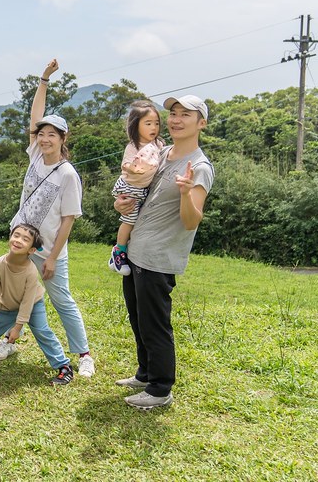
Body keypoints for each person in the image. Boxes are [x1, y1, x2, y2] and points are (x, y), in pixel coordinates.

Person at [115, 95, 214, 410]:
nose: (176, 119)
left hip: (158, 257)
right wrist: (122, 203)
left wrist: (186, 192)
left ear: (202, 123)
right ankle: (145, 374)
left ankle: (160, 389)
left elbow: (191, 221)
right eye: (173, 113)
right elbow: (139, 192)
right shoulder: (161, 152)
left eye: (186, 114)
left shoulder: (199, 166)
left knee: (155, 324)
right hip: (137, 250)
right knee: (139, 319)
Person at [8, 59, 95, 379]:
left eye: (51, 135)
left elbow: (69, 220)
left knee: (61, 299)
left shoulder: (69, 174)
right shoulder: (34, 154)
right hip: (21, 242)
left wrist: (53, 258)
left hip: (49, 249)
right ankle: (9, 339)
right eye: (41, 134)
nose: (44, 139)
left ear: (62, 139)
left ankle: (84, 354)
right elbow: (34, 116)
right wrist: (44, 79)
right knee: (13, 293)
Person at [0, 223, 74, 385]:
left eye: (25, 239)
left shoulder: (31, 270)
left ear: (32, 250)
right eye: (16, 235)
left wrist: (17, 327)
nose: (18, 240)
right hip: (7, 306)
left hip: (33, 305)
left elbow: (27, 303)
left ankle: (64, 366)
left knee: (43, 331)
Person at [109, 100, 165, 275]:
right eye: (148, 123)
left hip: (142, 190)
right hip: (129, 187)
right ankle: (118, 252)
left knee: (138, 219)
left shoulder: (158, 145)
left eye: (156, 123)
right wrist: (132, 167)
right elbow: (126, 165)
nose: (153, 127)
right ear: (136, 126)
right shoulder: (133, 147)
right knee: (130, 219)